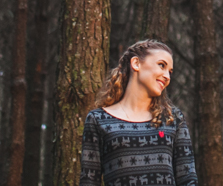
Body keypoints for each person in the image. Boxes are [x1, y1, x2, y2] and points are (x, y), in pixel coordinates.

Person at [80, 39, 198, 186]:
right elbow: (89, 181)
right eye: (162, 65)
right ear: (136, 63)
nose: (167, 76)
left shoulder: (172, 119)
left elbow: (188, 180)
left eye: (170, 71)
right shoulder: (98, 120)